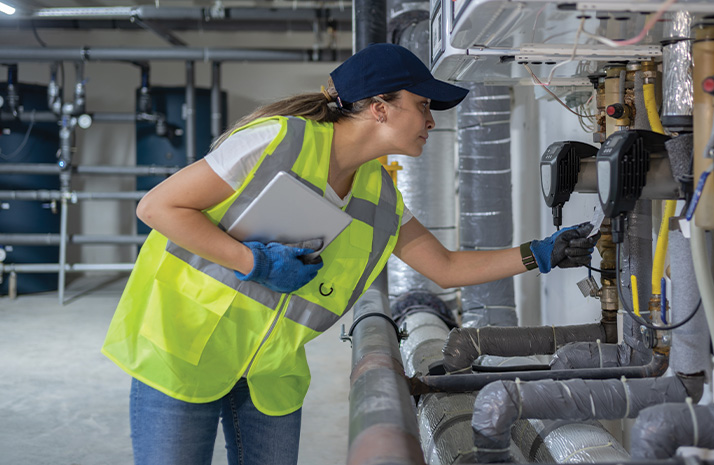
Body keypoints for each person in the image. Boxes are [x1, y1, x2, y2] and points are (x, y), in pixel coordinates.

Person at [101, 43, 599, 465]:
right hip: (182, 348)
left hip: (270, 373)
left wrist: (539, 253)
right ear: (380, 106)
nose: (430, 121)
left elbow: (444, 266)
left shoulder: (378, 194)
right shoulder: (277, 139)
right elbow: (158, 205)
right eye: (423, 105)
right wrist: (253, 263)